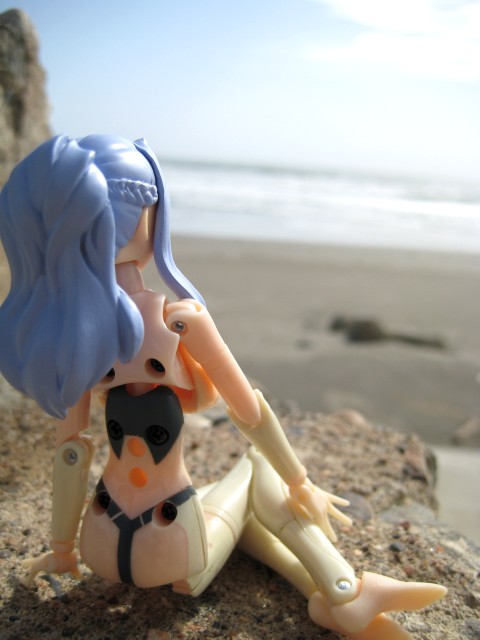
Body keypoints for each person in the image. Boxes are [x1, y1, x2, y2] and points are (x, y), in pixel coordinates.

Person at [0, 134, 446, 639]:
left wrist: (61, 549)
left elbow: (71, 452)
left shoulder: (74, 339)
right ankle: (347, 588)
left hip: (101, 543)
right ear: (143, 217)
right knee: (257, 470)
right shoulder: (178, 320)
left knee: (251, 523)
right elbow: (247, 410)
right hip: (170, 546)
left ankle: (324, 600)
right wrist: (300, 481)